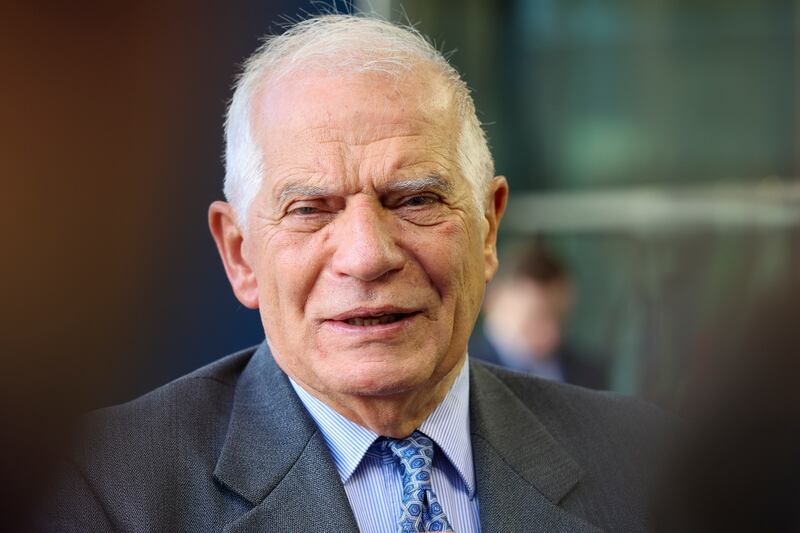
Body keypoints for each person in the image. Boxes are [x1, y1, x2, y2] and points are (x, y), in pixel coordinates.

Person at [40, 14, 663, 532]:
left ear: (488, 230)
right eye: (310, 209)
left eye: (415, 200)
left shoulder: (647, 463)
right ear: (240, 255)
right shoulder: (99, 491)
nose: (367, 256)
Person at [469, 241, 609, 389]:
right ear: (494, 300)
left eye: (560, 317)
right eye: (537, 318)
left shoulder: (587, 372)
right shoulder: (459, 372)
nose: (552, 333)